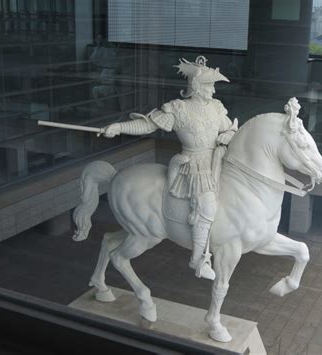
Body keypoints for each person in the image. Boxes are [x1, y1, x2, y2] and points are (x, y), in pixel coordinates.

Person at [102, 56, 238, 280]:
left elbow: (231, 129)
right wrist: (119, 127)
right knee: (206, 205)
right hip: (191, 165)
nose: (213, 91)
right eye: (209, 85)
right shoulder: (178, 109)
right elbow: (147, 124)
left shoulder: (216, 107)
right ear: (196, 86)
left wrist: (228, 135)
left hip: (217, 160)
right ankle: (199, 259)